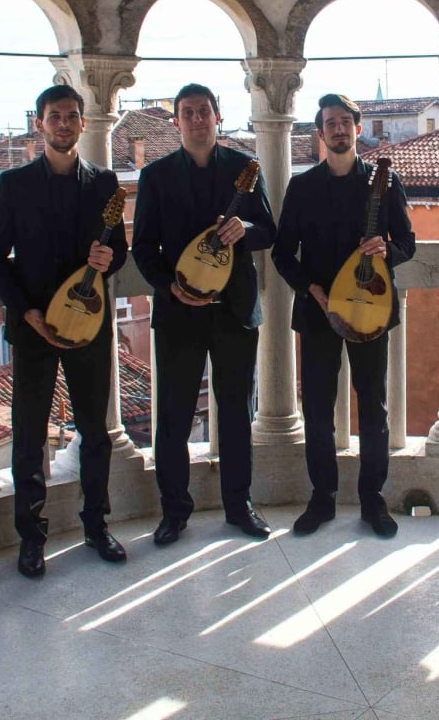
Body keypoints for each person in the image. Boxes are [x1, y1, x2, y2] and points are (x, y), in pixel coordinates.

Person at [0, 85, 130, 576]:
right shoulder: (14, 183)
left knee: (96, 431)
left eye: (71, 116)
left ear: (83, 124)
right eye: (54, 116)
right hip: (34, 328)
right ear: (39, 123)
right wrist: (25, 312)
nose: (63, 124)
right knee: (29, 436)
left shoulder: (105, 183)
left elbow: (121, 253)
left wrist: (109, 260)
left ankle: (97, 525)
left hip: (89, 326)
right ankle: (32, 538)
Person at [132, 83, 277, 544]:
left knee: (236, 411)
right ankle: (174, 511)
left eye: (204, 111)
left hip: (234, 310)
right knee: (173, 415)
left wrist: (245, 228)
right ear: (176, 122)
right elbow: (143, 248)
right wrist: (172, 288)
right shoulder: (155, 176)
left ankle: (240, 506)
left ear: (218, 117)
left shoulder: (244, 168)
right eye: (188, 112)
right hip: (179, 312)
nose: (197, 119)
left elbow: (270, 230)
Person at [272, 94, 416, 539]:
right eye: (329, 123)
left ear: (357, 128)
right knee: (317, 409)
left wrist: (385, 251)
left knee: (373, 407)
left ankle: (373, 500)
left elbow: (407, 243)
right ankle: (323, 499)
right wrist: (311, 289)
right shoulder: (303, 186)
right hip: (318, 313)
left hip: (371, 307)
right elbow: (282, 253)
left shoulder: (383, 183)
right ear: (320, 134)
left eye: (345, 122)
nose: (338, 129)